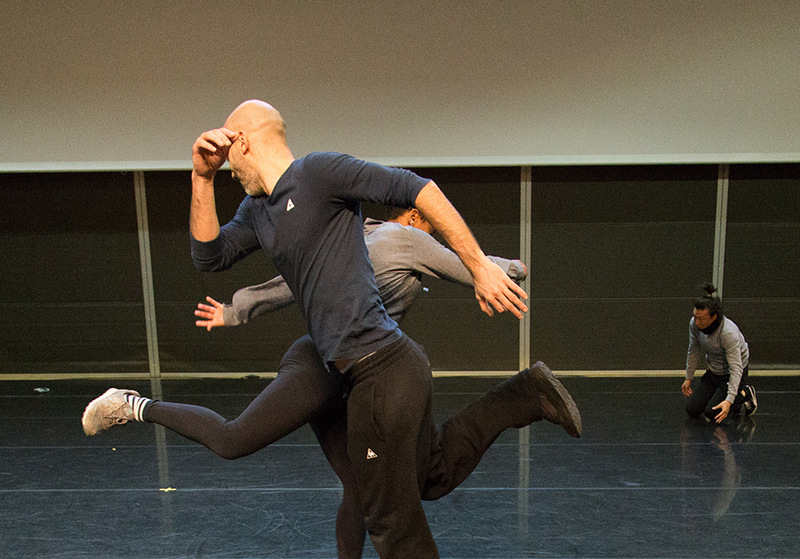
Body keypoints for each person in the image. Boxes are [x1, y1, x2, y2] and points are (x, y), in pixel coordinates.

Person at [82, 99, 530, 558]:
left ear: (243, 142)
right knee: (235, 440)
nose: (232, 172)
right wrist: (202, 178)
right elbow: (208, 256)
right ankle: (131, 405)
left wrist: (481, 267)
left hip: (374, 367)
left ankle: (527, 394)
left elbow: (418, 188)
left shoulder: (320, 173)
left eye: (231, 161)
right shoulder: (257, 210)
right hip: (324, 359)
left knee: (375, 496)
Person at [681, 284, 757, 423]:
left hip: (733, 371)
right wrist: (688, 377)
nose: (697, 322)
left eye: (701, 319)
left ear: (713, 317)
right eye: (695, 316)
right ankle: (719, 393)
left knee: (713, 413)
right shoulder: (694, 324)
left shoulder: (728, 333)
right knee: (692, 410)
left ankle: (745, 393)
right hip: (714, 370)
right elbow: (694, 349)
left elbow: (736, 368)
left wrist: (729, 401)